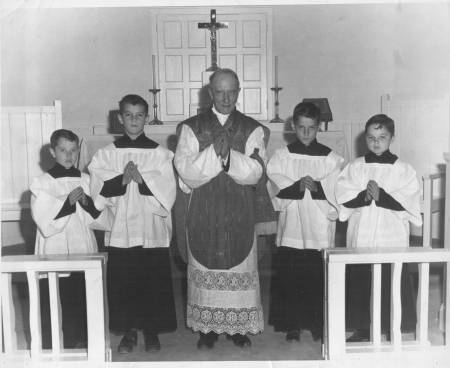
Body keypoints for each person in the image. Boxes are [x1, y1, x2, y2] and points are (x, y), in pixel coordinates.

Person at [174, 68, 269, 349]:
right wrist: (214, 154)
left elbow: (256, 171)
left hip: (239, 207)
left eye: (232, 91)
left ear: (239, 92)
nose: (226, 97)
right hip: (203, 207)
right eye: (219, 91)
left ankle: (238, 328)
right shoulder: (192, 127)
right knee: (205, 265)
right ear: (210, 93)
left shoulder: (252, 128)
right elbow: (186, 171)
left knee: (240, 266)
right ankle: (208, 330)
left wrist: (228, 157)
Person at [89, 94, 177, 353]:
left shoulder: (161, 154)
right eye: (129, 115)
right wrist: (121, 181)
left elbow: (167, 190)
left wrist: (143, 180)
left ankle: (151, 331)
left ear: (146, 118)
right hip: (122, 228)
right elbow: (97, 188)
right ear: (120, 118)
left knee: (152, 280)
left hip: (151, 228)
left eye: (139, 115)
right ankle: (128, 331)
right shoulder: (106, 155)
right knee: (124, 281)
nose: (134, 120)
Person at [335, 114, 422, 341]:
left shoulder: (403, 169)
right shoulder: (355, 167)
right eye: (371, 137)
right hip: (362, 231)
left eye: (382, 137)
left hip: (390, 233)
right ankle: (363, 327)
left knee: (391, 278)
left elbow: (410, 202)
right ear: (365, 138)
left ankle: (394, 325)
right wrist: (363, 196)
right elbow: (342, 196)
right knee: (362, 278)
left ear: (392, 138)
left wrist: (382, 196)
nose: (376, 142)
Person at [266, 102, 344, 342]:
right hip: (292, 226)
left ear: (319, 127)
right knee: (291, 275)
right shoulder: (282, 156)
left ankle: (318, 323)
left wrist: (318, 188)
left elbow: (337, 191)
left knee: (317, 276)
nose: (307, 133)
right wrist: (295, 186)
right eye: (302, 128)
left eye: (311, 127)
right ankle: (292, 324)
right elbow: (274, 183)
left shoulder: (331, 159)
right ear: (293, 126)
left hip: (318, 227)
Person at [30, 129, 107, 348]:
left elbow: (99, 217)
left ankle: (83, 341)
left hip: (82, 243)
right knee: (54, 298)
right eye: (63, 150)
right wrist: (67, 202)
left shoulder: (86, 179)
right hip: (54, 245)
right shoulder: (41, 182)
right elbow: (43, 218)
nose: (68, 155)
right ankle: (53, 344)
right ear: (52, 152)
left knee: (81, 295)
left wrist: (86, 203)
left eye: (73, 150)